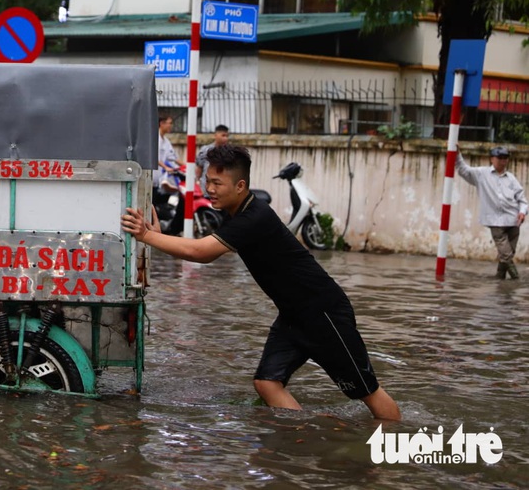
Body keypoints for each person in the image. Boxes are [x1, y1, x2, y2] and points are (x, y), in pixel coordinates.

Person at [122, 144, 401, 421]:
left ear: (240, 185)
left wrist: (148, 237)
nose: (210, 189)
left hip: (323, 312)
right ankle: (304, 437)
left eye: (218, 183)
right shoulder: (239, 214)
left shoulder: (255, 216)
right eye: (208, 181)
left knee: (368, 392)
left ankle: (391, 451)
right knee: (267, 383)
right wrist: (156, 237)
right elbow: (198, 248)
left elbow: (201, 253)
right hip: (293, 315)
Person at [456, 145, 527, 279]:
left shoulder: (511, 178)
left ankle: (499, 279)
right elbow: (463, 170)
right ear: (492, 159)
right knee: (506, 255)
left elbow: (522, 199)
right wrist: (457, 154)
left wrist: (523, 212)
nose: (503, 160)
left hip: (513, 221)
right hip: (495, 222)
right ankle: (516, 281)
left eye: (506, 158)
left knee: (507, 254)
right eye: (500, 157)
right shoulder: (482, 174)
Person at [195, 125, 230, 193]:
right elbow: (199, 168)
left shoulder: (229, 152)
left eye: (227, 136)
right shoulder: (205, 150)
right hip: (205, 189)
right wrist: (197, 182)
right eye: (223, 135)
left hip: (221, 191)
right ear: (216, 135)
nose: (225, 138)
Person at [155, 114, 181, 192]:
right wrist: (166, 167)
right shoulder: (154, 138)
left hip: (159, 179)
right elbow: (153, 157)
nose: (171, 126)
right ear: (162, 123)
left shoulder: (166, 141)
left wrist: (187, 167)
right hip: (151, 178)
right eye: (169, 123)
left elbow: (174, 158)